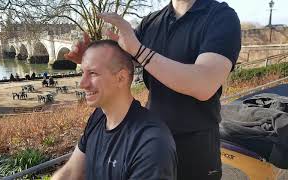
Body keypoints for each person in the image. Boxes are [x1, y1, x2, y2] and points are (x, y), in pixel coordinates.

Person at [65, 0, 241, 179]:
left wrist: (140, 51)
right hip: (149, 143)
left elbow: (204, 83)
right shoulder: (151, 22)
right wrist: (93, 60)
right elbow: (120, 63)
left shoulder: (221, 17)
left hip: (195, 150)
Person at [52, 40, 177, 180]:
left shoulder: (151, 144)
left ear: (121, 78)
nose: (82, 84)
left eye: (93, 73)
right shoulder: (98, 117)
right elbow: (70, 172)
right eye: (83, 72)